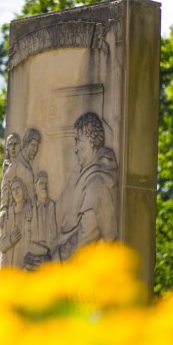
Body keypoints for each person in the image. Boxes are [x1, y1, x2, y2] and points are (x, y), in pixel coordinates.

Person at [54, 112, 117, 262]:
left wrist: (55, 258)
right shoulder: (81, 174)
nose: (75, 149)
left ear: (91, 140)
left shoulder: (96, 183)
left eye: (78, 141)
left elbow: (85, 240)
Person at [23, 171, 57, 270]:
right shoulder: (30, 207)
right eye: (41, 183)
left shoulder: (51, 205)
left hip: (47, 251)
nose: (44, 186)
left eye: (46, 183)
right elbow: (27, 234)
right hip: (32, 252)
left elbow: (53, 231)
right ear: (35, 187)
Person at [0, 177, 31, 268]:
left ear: (24, 190)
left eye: (18, 188)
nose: (16, 192)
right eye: (13, 190)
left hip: (27, 262)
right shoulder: (7, 215)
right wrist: (10, 240)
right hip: (11, 264)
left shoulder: (31, 210)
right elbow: (2, 245)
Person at [2, 127, 41, 201]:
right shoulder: (15, 164)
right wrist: (4, 207)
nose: (35, 149)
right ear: (25, 144)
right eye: (33, 145)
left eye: (36, 146)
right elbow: (5, 185)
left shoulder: (27, 164)